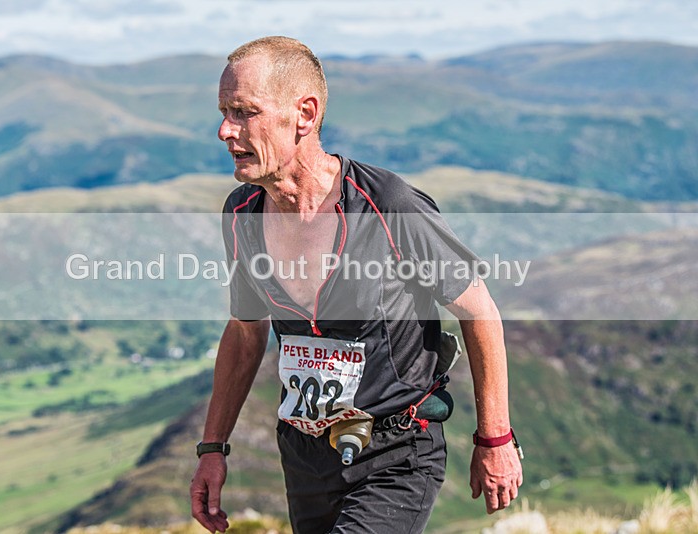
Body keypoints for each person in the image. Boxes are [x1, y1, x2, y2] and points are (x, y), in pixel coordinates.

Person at [190, 36, 523, 534]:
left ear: (304, 114)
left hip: (396, 454)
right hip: (304, 455)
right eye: (223, 111)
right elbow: (244, 333)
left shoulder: (387, 204)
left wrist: (495, 438)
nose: (224, 130)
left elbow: (479, 309)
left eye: (243, 112)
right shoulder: (241, 214)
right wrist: (212, 450)